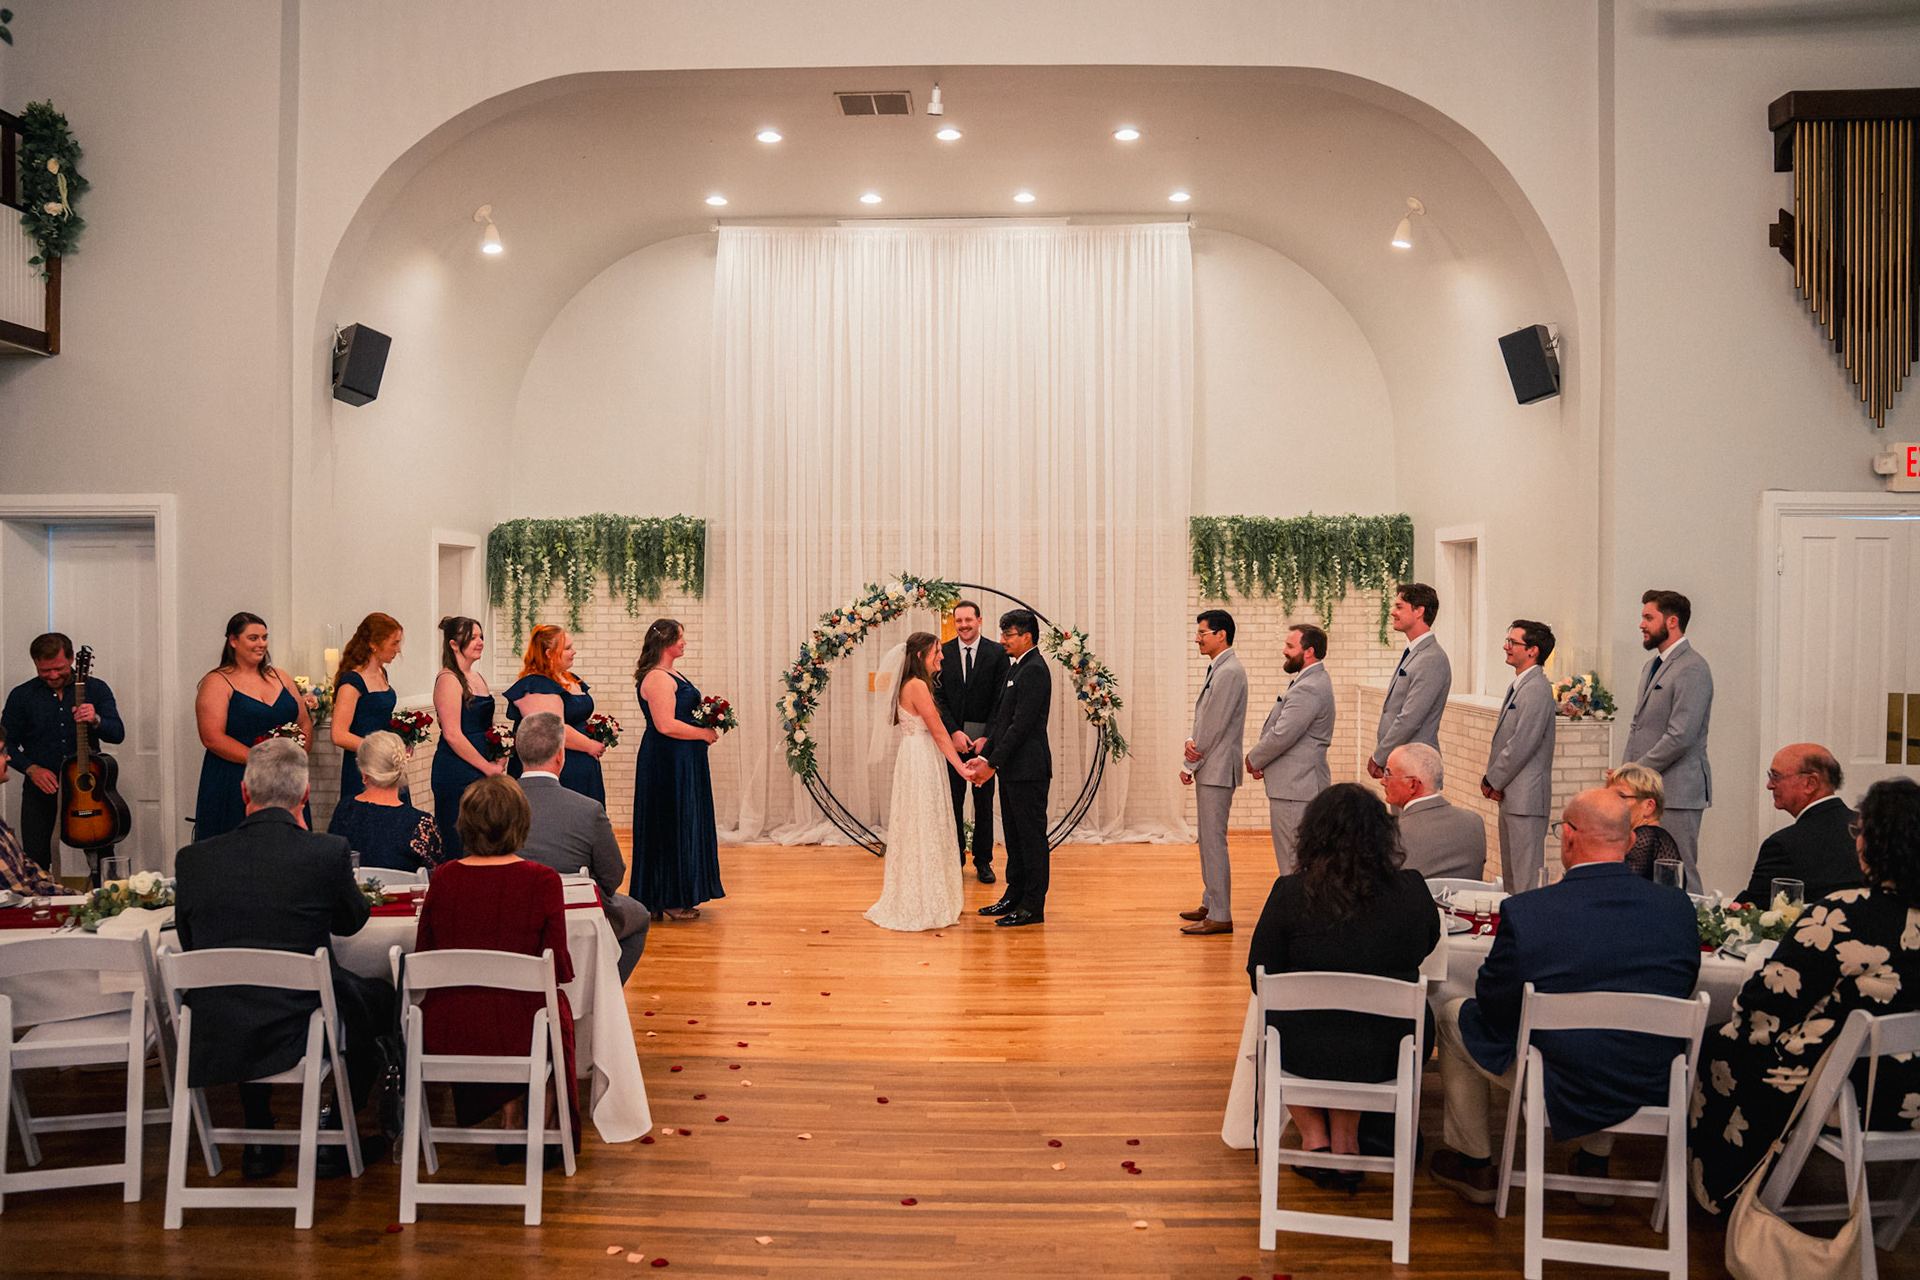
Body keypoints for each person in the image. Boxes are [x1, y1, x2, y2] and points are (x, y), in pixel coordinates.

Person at [1428, 788, 1700, 1207]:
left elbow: (1494, 1004)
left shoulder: (1529, 911)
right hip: (1647, 1076)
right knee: (1618, 1037)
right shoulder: (1677, 908)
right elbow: (1682, 987)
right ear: (1629, 841)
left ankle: (1475, 1163)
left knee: (1452, 1015)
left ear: (1569, 837)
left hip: (1556, 1075)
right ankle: (1593, 1163)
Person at [1690, 777, 1920, 1214]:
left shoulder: (1842, 912)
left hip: (1855, 1092)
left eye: (1861, 831)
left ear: (1876, 844)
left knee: (1718, 1042)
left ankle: (1724, 1189)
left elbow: (1765, 1005)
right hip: (1912, 1091)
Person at [173, 738, 394, 1178]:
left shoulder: (193, 860)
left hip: (221, 1020)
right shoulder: (326, 852)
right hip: (301, 1020)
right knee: (381, 997)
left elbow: (188, 939)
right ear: (305, 794)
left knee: (242, 988)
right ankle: (335, 1130)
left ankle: (258, 1135)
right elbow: (352, 921)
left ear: (244, 791)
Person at [1245, 784, 1440, 1188]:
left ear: (1313, 835)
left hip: (1302, 1050)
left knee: (1282, 1024)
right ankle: (1346, 1143)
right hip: (1388, 1051)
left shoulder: (1290, 893)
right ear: (1383, 836)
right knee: (1360, 1026)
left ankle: (1315, 1139)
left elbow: (1260, 974)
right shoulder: (1412, 891)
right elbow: (1425, 946)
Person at [414, 774, 579, 1166]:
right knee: (549, 1010)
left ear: (465, 824)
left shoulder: (444, 877)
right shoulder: (543, 880)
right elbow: (557, 964)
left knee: (494, 1005)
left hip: (449, 1028)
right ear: (520, 823)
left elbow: (424, 954)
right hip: (520, 1031)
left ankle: (510, 1118)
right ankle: (544, 1122)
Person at [516, 711, 649, 981]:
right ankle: (600, 995)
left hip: (509, 911)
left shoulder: (490, 804)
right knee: (640, 917)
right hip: (572, 912)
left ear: (519, 753)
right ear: (560, 755)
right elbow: (612, 875)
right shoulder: (587, 809)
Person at [866, 632, 974, 932]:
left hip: (914, 757)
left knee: (918, 823)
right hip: (922, 759)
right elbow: (939, 732)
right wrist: (961, 768)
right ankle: (925, 900)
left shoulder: (910, 684)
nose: (941, 656)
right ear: (919, 656)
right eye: (936, 652)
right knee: (925, 823)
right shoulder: (917, 686)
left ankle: (921, 892)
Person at [2, 632, 126, 872]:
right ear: (35, 663)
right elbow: (6, 744)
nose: (52, 676)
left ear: (71, 659)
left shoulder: (96, 689)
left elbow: (117, 734)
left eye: (58, 668)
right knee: (35, 859)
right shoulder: (22, 695)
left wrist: (96, 719)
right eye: (44, 670)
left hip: (89, 788)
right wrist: (32, 770)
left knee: (102, 856)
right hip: (42, 788)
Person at [1618, 589, 1713, 892]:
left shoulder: (1693, 667)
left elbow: (1681, 735)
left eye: (1649, 617)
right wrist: (1625, 775)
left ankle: (1696, 922)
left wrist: (1634, 772)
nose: (1641, 624)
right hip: (1647, 787)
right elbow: (1640, 727)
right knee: (1646, 869)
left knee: (1681, 870)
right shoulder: (1652, 666)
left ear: (1672, 622)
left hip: (1677, 788)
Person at [193, 612, 313, 842]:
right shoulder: (217, 681)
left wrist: (296, 757)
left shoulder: (280, 676)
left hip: (285, 776)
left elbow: (304, 721)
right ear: (233, 641)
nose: (261, 644)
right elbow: (212, 738)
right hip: (235, 777)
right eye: (253, 638)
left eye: (264, 637)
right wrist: (263, 761)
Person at [632, 618, 723, 921]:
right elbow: (665, 725)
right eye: (680, 637)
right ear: (665, 641)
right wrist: (703, 733)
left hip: (682, 760)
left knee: (683, 821)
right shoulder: (657, 678)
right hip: (667, 762)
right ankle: (668, 897)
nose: (684, 642)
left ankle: (679, 893)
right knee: (670, 823)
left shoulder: (672, 674)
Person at [969, 609, 1053, 927]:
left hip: (1029, 769)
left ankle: (1033, 905)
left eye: (1008, 634)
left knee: (1031, 839)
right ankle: (1014, 895)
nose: (1002, 640)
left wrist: (992, 763)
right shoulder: (1016, 666)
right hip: (1011, 769)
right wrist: (985, 756)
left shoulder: (1035, 669)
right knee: (1014, 837)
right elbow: (1002, 721)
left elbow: (1021, 726)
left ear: (1027, 637)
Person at [1245, 623, 1334, 875]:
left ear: (1309, 651)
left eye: (1290, 646)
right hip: (1296, 786)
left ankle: (1297, 902)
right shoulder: (1310, 681)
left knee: (1293, 861)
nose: (1284, 651)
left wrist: (1254, 759)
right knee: (1297, 859)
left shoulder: (1309, 687)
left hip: (1297, 788)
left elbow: (1283, 734)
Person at [1178, 609, 1247, 935]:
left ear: (1221, 635)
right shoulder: (1220, 667)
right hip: (1211, 766)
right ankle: (1211, 901)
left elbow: (1214, 725)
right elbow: (1204, 720)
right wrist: (1191, 741)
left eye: (1202, 633)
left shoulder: (1229, 671)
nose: (1197, 639)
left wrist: (1190, 761)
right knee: (1207, 840)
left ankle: (1220, 914)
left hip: (1216, 768)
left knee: (1214, 842)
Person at [933, 600, 1007, 884]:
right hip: (952, 742)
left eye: (968, 620)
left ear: (979, 620)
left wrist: (988, 736)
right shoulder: (943, 652)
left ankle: (983, 861)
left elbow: (1001, 698)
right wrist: (952, 731)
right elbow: (937, 696)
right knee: (952, 801)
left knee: (984, 803)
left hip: (984, 744)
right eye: (959, 621)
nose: (963, 625)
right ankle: (955, 859)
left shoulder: (997, 652)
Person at [1481, 620, 1557, 893]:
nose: (1506, 646)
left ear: (1532, 650)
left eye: (1513, 642)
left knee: (1526, 883)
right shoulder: (1520, 685)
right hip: (1512, 797)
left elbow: (1522, 743)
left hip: (1526, 801)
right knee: (1512, 882)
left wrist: (1492, 779)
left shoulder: (1537, 688)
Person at [1740, 743, 1861, 907]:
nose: (1770, 785)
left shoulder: (1782, 845)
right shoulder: (1872, 828)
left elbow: (1748, 911)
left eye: (1776, 776)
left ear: (1810, 783)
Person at [505, 625, 607, 805]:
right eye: (567, 648)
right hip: (559, 770)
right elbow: (553, 729)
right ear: (549, 654)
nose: (574, 652)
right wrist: (590, 745)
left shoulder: (570, 678)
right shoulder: (536, 685)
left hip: (583, 768)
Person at [430, 616, 504, 862]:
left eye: (481, 636)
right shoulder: (448, 679)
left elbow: (487, 725)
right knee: (459, 840)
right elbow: (452, 734)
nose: (480, 642)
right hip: (457, 771)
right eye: (472, 638)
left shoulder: (477, 677)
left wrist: (500, 752)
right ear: (453, 644)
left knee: (484, 838)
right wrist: (487, 767)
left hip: (483, 767)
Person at [1367, 582, 1451, 780]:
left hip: (1416, 767)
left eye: (1399, 607)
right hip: (1401, 763)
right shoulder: (1414, 653)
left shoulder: (1431, 658)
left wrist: (1379, 756)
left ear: (1419, 611)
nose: (1392, 612)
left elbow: (1410, 718)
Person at [326, 730, 443, 872]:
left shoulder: (345, 810)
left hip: (353, 886)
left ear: (364, 773)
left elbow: (332, 864)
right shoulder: (421, 824)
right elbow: (436, 877)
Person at [329, 612, 406, 807]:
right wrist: (379, 749)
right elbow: (339, 735)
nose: (398, 650)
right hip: (364, 766)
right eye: (394, 643)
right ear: (374, 644)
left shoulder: (382, 673)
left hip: (387, 764)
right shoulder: (352, 682)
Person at [1384, 743, 1487, 880]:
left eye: (1388, 774)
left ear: (1413, 784)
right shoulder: (1474, 822)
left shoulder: (1393, 834)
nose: (1383, 781)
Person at [0, 724, 66, 896]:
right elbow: (17, 892)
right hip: (18, 908)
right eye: (2, 752)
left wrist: (77, 897)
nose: (8, 758)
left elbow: (28, 870)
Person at [1608, 762, 1682, 879]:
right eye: (1609, 796)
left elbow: (1618, 884)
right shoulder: (1653, 836)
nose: (1610, 802)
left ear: (1648, 806)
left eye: (1621, 796)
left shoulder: (1646, 835)